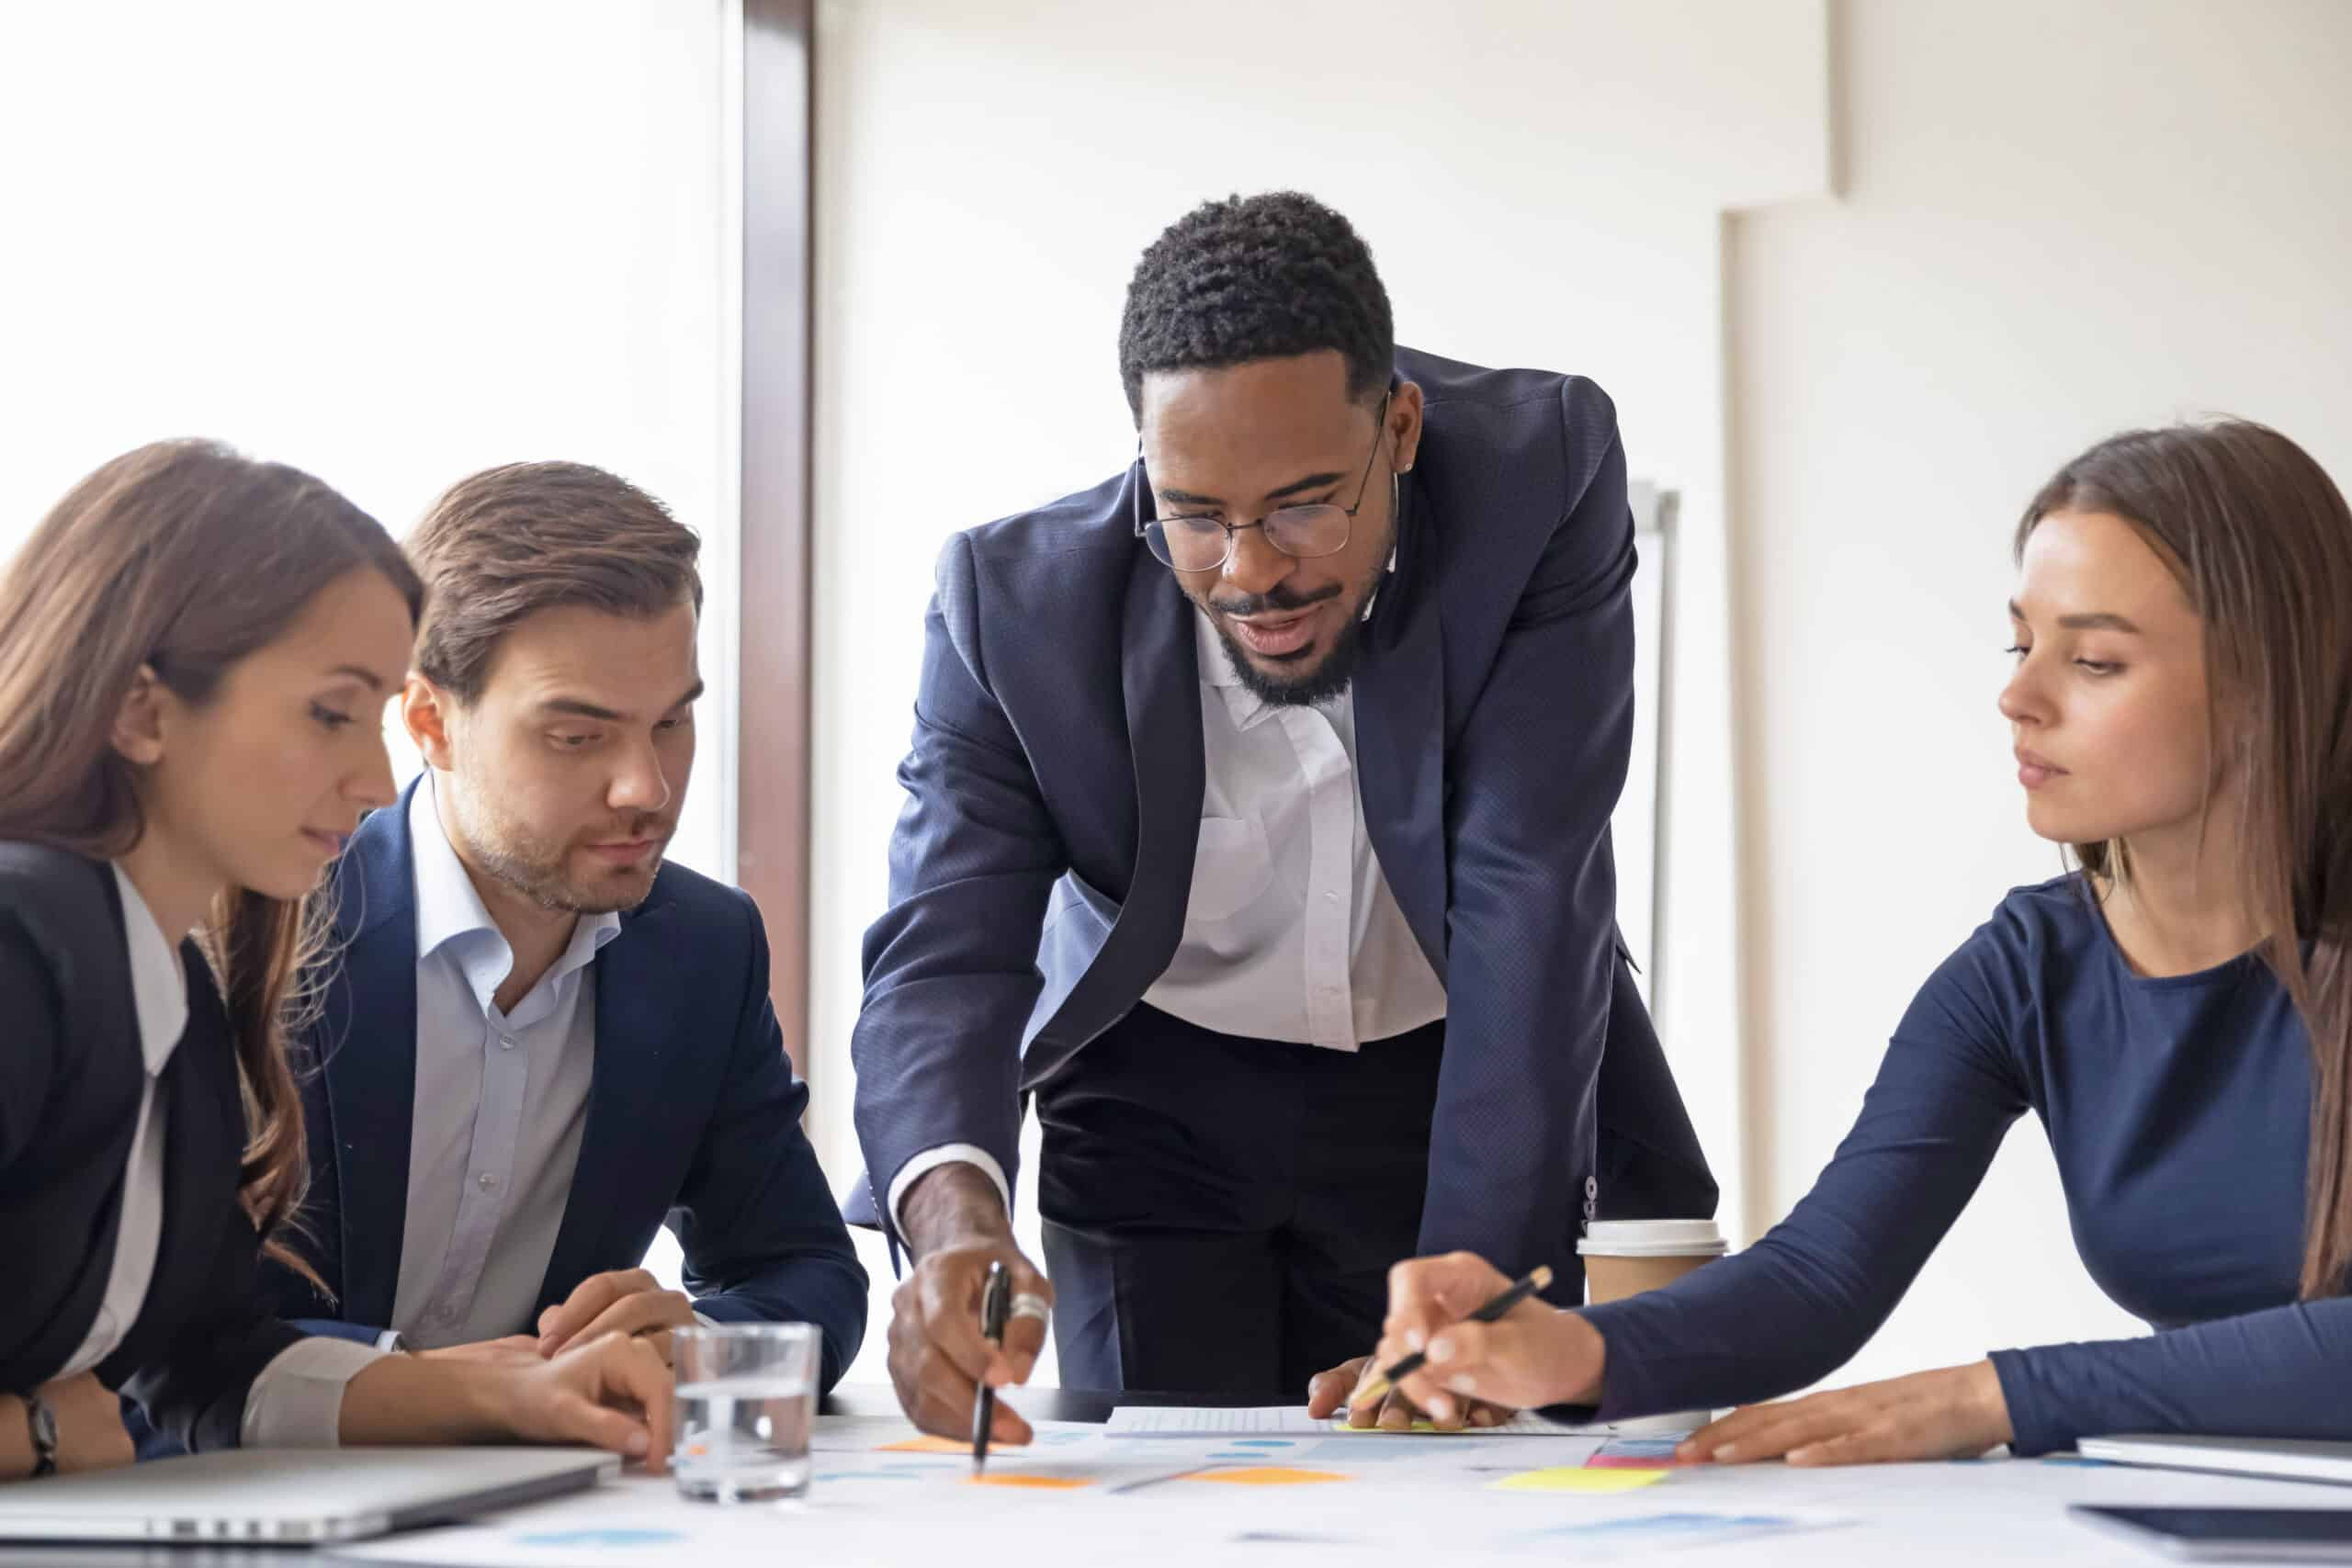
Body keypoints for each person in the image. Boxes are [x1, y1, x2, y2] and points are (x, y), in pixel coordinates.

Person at [854, 190, 1715, 1441]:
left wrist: (1476, 1278)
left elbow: (1531, 887)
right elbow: (944, 954)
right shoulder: (1012, 604)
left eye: (1306, 503)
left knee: (1451, 1479)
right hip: (1152, 1093)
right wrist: (952, 1221)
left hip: (1454, 1080)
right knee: (1163, 1486)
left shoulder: (1539, 478)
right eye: (1195, 515)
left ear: (1401, 428)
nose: (1250, 570)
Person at [1352, 420, 2352, 1461]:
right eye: (2022, 645)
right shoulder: (2024, 972)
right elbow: (1819, 1277)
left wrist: (2003, 1395)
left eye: (2094, 660)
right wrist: (1564, 1353)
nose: (2018, 698)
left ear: (2262, 683)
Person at [0, 440, 673, 1480]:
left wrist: (515, 1395)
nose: (374, 780)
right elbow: (106, 1413)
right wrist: (41, 1436)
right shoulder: (22, 945)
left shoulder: (169, 985)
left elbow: (205, 1365)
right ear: (141, 708)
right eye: (330, 714)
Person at [264, 462, 867, 1390]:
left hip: (548, 1507)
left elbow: (806, 1272)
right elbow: (179, 1337)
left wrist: (694, 1347)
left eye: (670, 723)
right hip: (268, 1496)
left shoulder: (703, 949)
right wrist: (444, 1394)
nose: (647, 789)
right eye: (577, 737)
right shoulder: (270, 925)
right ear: (429, 720)